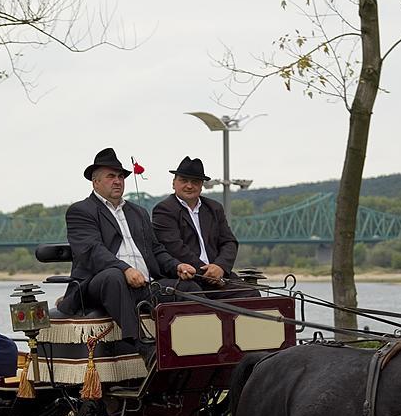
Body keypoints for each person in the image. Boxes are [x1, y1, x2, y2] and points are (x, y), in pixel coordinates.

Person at [63, 147, 201, 357]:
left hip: (144, 284)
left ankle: (193, 349)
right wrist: (125, 269)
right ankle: (143, 347)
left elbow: (156, 250)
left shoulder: (138, 213)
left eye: (121, 176)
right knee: (113, 276)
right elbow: (92, 251)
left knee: (188, 287)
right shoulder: (81, 211)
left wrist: (177, 266)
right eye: (111, 176)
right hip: (98, 287)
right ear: (95, 181)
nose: (118, 181)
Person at [151, 156, 257, 299]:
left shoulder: (214, 208)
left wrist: (220, 267)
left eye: (195, 181)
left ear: (202, 185)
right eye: (184, 181)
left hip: (219, 276)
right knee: (196, 296)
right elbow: (175, 248)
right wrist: (208, 274)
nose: (189, 186)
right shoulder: (164, 209)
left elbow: (229, 242)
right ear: (173, 183)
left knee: (251, 293)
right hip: (186, 277)